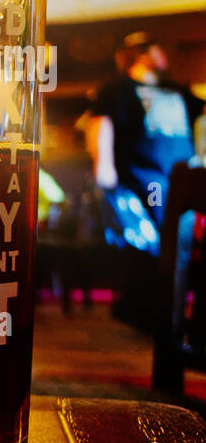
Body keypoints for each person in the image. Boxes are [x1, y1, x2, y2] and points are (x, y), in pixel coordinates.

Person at [85, 32, 201, 326]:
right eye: (160, 49)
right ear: (143, 53)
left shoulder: (176, 89)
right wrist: (104, 165)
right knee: (151, 242)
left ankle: (166, 307)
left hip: (180, 175)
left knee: (180, 243)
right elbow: (102, 122)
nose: (166, 56)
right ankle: (144, 308)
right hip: (145, 175)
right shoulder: (119, 88)